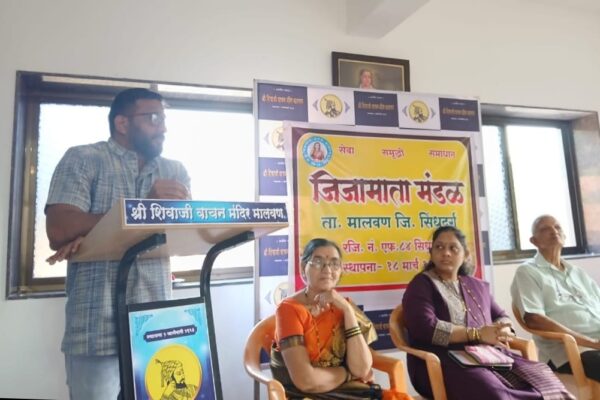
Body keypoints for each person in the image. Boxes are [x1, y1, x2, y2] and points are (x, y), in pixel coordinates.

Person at [45, 88, 191, 400]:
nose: (163, 127)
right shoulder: (84, 159)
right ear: (122, 123)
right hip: (97, 328)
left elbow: (181, 234)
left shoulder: (174, 171)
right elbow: (59, 229)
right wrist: (141, 210)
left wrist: (97, 233)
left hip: (156, 326)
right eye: (154, 118)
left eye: (164, 119)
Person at [402, 226, 574, 400]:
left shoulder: (476, 286)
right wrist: (476, 334)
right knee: (494, 393)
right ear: (431, 253)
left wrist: (502, 330)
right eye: (439, 247)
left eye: (453, 248)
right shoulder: (421, 284)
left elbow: (501, 315)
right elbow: (424, 328)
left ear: (465, 254)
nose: (446, 253)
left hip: (489, 356)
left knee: (547, 381)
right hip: (442, 360)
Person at [270, 238, 412, 400]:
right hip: (306, 395)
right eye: (318, 262)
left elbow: (362, 369)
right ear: (303, 267)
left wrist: (348, 311)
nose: (327, 269)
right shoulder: (289, 309)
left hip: (349, 391)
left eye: (334, 263)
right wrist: (348, 374)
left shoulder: (345, 305)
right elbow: (306, 381)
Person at [511, 215, 600, 382]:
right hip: (571, 350)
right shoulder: (528, 271)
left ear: (564, 236)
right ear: (534, 241)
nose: (554, 231)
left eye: (557, 227)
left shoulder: (578, 273)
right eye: (545, 229)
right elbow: (534, 319)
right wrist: (591, 342)